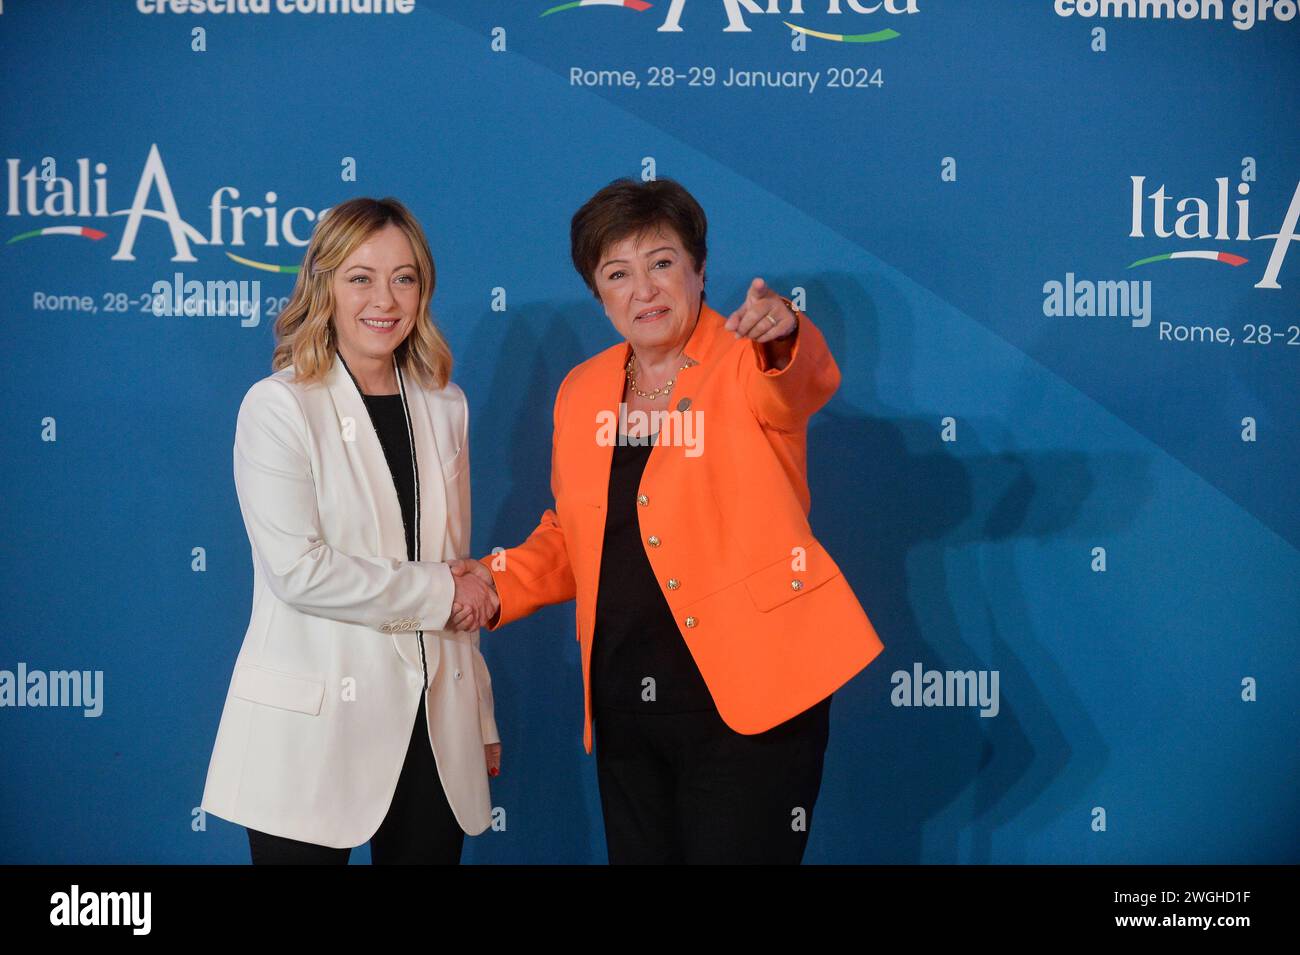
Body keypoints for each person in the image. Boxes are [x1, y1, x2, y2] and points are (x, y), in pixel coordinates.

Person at [450, 177, 884, 864]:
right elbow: (576, 532)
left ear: (699, 269)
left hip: (751, 701)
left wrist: (786, 330)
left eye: (661, 262)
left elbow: (799, 382)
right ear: (598, 292)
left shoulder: (746, 357)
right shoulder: (583, 388)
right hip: (627, 704)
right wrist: (496, 580)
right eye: (617, 273)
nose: (644, 289)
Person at [201, 197, 502, 864]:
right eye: (361, 276)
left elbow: (455, 565)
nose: (384, 298)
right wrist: (439, 592)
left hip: (432, 730)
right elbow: (300, 570)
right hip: (310, 732)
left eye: (404, 277)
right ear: (324, 284)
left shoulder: (446, 404)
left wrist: (476, 709)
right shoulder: (278, 406)